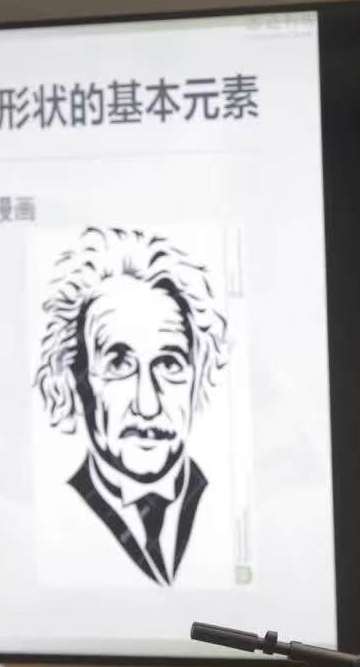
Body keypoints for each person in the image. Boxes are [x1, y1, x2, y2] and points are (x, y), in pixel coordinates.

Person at [33, 226, 230, 586]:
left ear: (196, 373)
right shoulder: (47, 518)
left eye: (169, 364)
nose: (148, 405)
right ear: (73, 378)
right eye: (120, 364)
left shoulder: (223, 499)